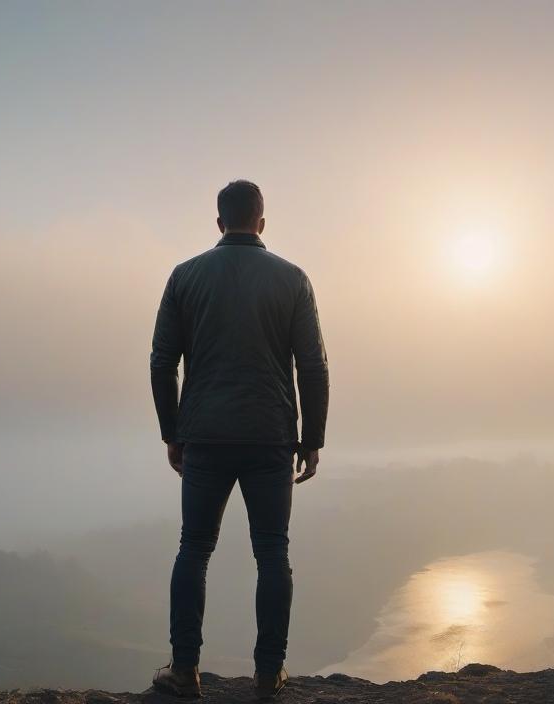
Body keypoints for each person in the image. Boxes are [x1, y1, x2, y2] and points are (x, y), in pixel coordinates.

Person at [149, 180, 329, 700]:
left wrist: (172, 432)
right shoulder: (293, 279)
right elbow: (312, 366)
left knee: (194, 549)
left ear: (219, 222)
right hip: (271, 436)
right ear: (263, 222)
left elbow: (163, 363)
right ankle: (269, 675)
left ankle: (185, 672)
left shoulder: (185, 276)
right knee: (272, 552)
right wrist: (312, 437)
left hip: (203, 434)